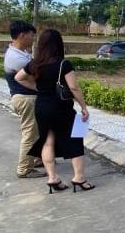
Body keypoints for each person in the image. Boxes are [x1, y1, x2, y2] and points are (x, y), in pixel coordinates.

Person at [15, 29, 95, 194]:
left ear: (42, 45)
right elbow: (73, 87)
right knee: (76, 139)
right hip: (61, 108)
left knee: (47, 141)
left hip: (41, 107)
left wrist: (37, 88)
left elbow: (18, 77)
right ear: (59, 44)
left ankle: (52, 178)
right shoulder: (64, 64)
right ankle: (79, 177)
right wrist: (84, 107)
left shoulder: (35, 63)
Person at [3, 20, 44, 178]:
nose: (33, 38)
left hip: (26, 97)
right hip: (26, 98)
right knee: (29, 134)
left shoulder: (19, 52)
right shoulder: (17, 58)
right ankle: (24, 169)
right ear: (22, 35)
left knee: (36, 131)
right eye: (31, 35)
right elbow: (36, 77)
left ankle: (36, 159)